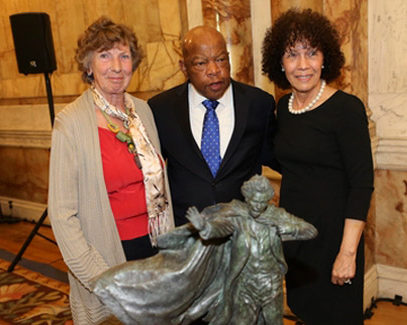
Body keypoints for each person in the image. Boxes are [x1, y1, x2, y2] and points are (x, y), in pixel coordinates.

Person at [48, 16, 174, 324]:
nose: (116, 66)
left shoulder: (142, 111)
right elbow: (62, 214)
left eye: (124, 55)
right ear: (88, 66)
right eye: (104, 55)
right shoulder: (71, 123)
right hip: (108, 253)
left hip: (155, 246)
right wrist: (98, 275)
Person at [261, 8, 375, 324]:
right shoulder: (283, 108)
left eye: (311, 53)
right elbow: (292, 164)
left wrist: (347, 253)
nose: (302, 65)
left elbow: (362, 185)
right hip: (297, 238)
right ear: (279, 63)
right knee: (304, 311)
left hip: (335, 239)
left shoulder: (346, 110)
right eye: (292, 55)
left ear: (325, 57)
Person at [93, 175, 317, 324]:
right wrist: (203, 226)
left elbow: (309, 231)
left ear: (269, 200)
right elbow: (217, 230)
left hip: (270, 286)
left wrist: (280, 225)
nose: (257, 207)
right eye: (253, 202)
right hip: (244, 287)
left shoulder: (276, 216)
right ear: (247, 199)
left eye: (262, 202)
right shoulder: (238, 218)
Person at [148, 26, 277, 227]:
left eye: (220, 60)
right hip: (187, 236)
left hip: (243, 233)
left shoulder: (259, 104)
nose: (214, 70)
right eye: (200, 63)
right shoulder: (161, 109)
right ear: (184, 67)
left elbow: (282, 158)